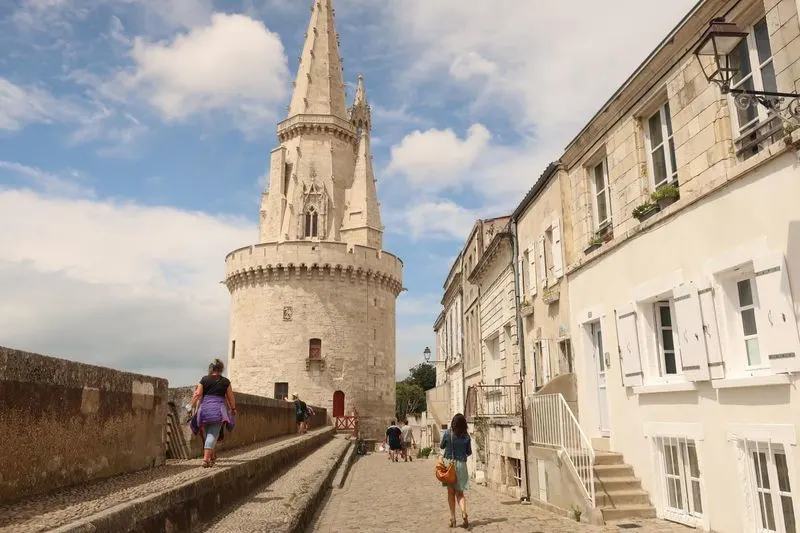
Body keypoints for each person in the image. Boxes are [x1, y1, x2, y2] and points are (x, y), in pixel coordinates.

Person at [190, 359, 236, 468]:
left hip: (204, 410)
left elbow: (198, 394)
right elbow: (230, 397)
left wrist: (192, 406)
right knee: (212, 435)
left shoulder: (204, 379)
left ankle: (212, 456)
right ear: (221, 369)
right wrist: (233, 408)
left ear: (211, 369)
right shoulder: (225, 381)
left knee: (208, 434)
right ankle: (205, 460)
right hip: (217, 410)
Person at [440, 413, 472, 528]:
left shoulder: (448, 433)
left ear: (453, 422)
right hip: (462, 465)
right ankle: (463, 512)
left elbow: (441, 446)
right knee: (460, 493)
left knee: (450, 493)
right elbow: (469, 452)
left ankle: (453, 518)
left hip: (450, 465)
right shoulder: (466, 436)